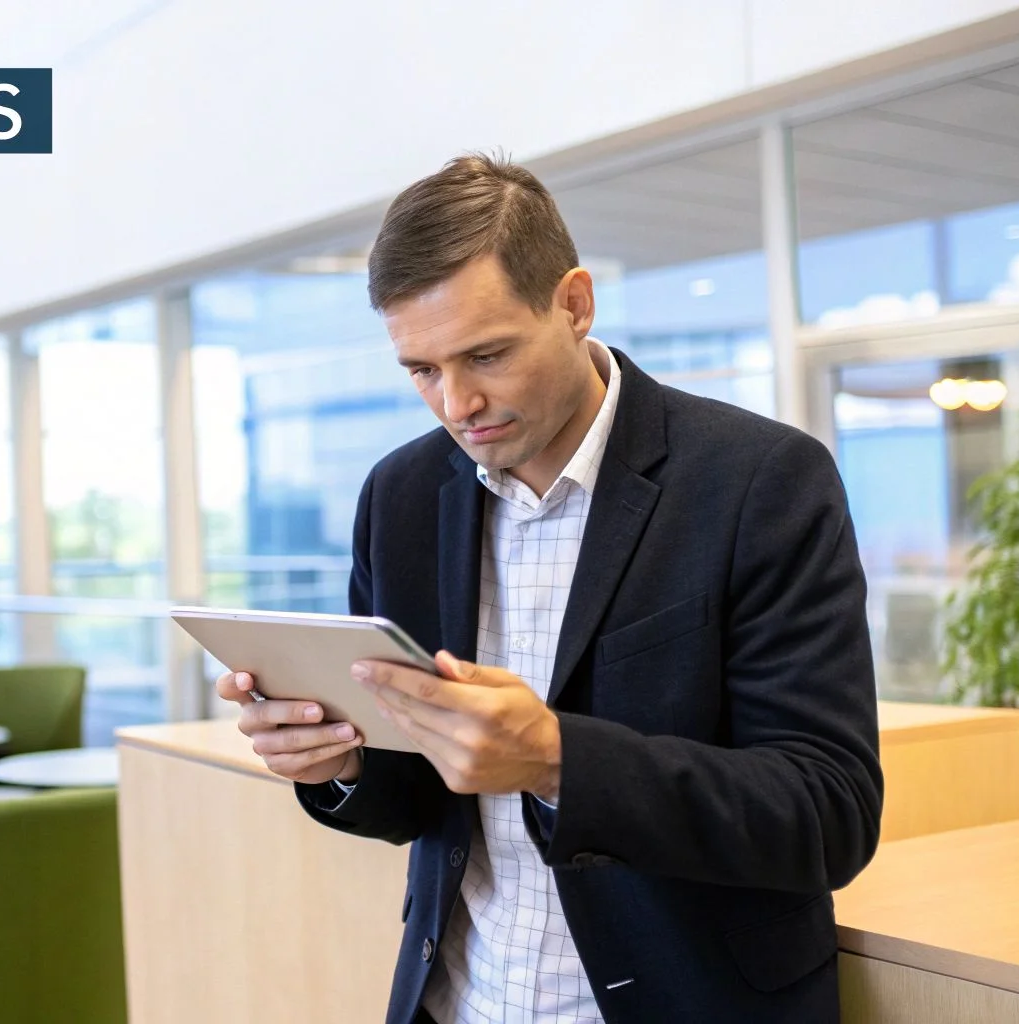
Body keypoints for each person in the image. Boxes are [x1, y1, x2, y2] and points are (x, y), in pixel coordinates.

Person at [215, 154, 882, 1024]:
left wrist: (558, 759)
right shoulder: (402, 495)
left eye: (487, 354)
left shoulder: (760, 480)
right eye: (421, 370)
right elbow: (415, 799)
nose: (458, 403)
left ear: (573, 304)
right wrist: (338, 763)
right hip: (459, 998)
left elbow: (827, 812)